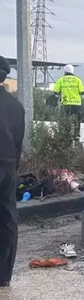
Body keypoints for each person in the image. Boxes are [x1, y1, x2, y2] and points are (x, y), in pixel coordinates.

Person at [0, 55, 25, 287]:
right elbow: (19, 142)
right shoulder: (16, 106)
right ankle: (4, 275)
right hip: (8, 166)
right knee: (7, 218)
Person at [53, 64, 84, 140]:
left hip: (65, 103)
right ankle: (76, 134)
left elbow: (55, 91)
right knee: (77, 120)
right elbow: (82, 91)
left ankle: (65, 133)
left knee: (65, 119)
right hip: (76, 104)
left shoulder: (61, 80)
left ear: (64, 71)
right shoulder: (78, 80)